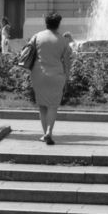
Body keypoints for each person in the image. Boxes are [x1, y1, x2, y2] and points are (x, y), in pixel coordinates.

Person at [29, 11, 74, 145]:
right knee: (53, 106)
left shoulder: (37, 36)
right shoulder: (63, 40)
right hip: (57, 75)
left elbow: (27, 51)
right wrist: (67, 77)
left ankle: (45, 134)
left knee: (42, 105)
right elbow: (67, 62)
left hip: (39, 73)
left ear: (46, 23)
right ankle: (49, 131)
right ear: (58, 24)